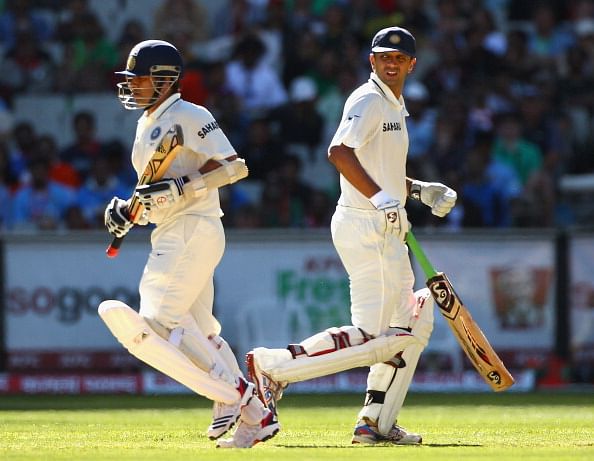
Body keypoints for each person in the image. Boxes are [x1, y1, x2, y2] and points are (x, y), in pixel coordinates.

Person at [246, 27, 457, 445]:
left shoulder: (394, 104)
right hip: (367, 226)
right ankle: (274, 366)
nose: (391, 62)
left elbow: (383, 169)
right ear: (372, 61)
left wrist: (416, 190)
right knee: (377, 338)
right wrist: (381, 199)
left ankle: (375, 420)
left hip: (385, 226)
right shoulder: (368, 99)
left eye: (399, 58)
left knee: (413, 319)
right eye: (383, 56)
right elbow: (339, 152)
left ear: (412, 64)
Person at [98, 40, 279, 449]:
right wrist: (130, 213)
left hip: (193, 227)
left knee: (161, 320)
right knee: (203, 329)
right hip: (173, 229)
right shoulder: (148, 123)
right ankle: (239, 413)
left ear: (163, 79)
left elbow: (235, 166)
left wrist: (182, 187)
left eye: (139, 79)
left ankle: (249, 405)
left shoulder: (191, 115)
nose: (131, 87)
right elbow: (154, 191)